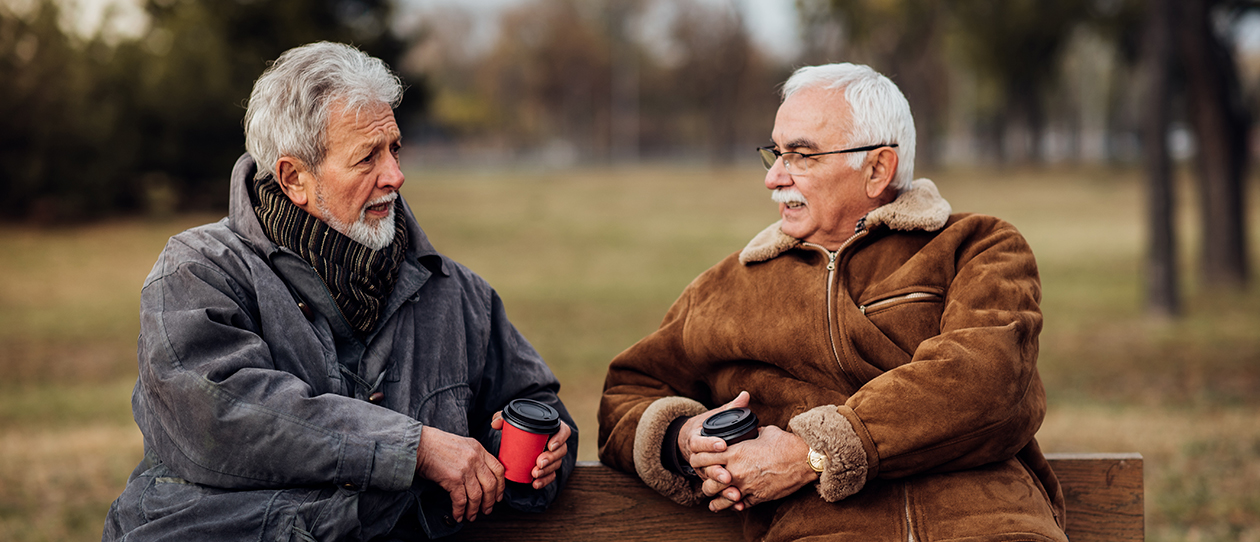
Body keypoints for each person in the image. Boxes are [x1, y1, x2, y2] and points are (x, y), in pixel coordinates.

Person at [102, 41, 576, 541]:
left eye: (394, 149)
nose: (395, 175)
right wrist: (415, 449)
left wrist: (542, 449)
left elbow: (535, 402)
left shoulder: (458, 295)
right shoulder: (197, 273)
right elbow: (223, 416)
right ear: (294, 178)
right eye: (367, 157)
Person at [598, 62, 1067, 541]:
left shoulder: (978, 245)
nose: (774, 177)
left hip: (990, 527)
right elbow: (626, 393)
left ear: (877, 169)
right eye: (776, 153)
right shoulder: (725, 287)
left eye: (801, 155)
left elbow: (985, 379)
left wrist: (810, 452)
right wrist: (683, 439)